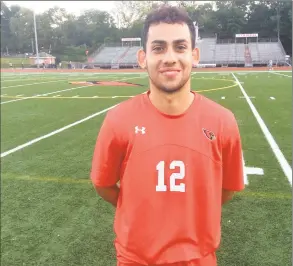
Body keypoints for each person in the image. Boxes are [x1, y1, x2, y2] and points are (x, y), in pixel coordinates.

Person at [90, 5, 244, 266]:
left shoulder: (222, 122)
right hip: (135, 259)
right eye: (159, 48)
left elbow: (227, 189)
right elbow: (103, 185)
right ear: (142, 58)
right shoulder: (118, 120)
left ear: (194, 55)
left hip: (199, 259)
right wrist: (139, 213)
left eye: (180, 47)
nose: (170, 57)